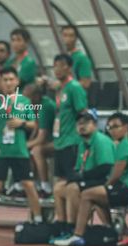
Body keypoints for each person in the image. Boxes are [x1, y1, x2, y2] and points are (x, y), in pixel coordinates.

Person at [54, 112, 128, 246]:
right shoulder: (82, 143)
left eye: (86, 123)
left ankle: (74, 229)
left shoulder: (106, 142)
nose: (82, 126)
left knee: (77, 190)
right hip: (110, 183)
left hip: (116, 184)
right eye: (110, 127)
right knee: (59, 187)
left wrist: (85, 179)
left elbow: (108, 169)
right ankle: (63, 228)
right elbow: (80, 168)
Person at [0, 67, 41, 237]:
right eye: (5, 80)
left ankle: (39, 220)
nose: (8, 83)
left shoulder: (24, 101)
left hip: (19, 151)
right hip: (0, 151)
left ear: (17, 81)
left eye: (11, 79)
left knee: (28, 184)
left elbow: (33, 124)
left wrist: (21, 123)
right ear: (0, 82)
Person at [51, 54, 88, 231]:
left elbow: (83, 112)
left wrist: (81, 137)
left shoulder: (74, 87)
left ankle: (74, 224)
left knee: (72, 185)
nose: (57, 69)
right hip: (60, 141)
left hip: (72, 142)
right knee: (59, 185)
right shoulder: (62, 89)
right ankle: (62, 222)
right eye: (55, 66)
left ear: (69, 68)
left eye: (61, 66)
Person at [24, 82, 56, 197]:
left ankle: (45, 187)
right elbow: (37, 127)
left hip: (61, 140)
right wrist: (27, 144)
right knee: (26, 150)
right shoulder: (35, 106)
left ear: (36, 96)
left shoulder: (45, 106)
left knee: (36, 150)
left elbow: (41, 138)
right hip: (50, 140)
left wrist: (26, 145)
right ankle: (34, 186)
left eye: (27, 98)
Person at [61, 25, 92, 90]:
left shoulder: (81, 58)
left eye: (71, 36)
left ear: (76, 38)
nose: (67, 39)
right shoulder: (61, 57)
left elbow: (86, 83)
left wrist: (64, 84)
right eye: (65, 35)